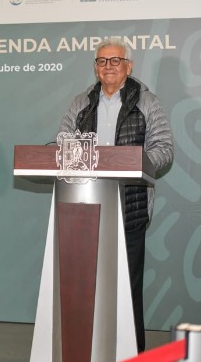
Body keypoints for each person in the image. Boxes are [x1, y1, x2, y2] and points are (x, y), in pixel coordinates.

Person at [58, 38, 173, 353]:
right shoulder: (81, 102)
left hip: (129, 207)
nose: (108, 66)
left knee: (127, 289)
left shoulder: (147, 102)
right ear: (95, 67)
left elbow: (164, 149)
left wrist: (134, 163)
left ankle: (132, 353)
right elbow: (64, 143)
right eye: (101, 61)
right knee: (85, 288)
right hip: (84, 208)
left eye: (115, 60)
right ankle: (90, 351)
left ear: (128, 66)